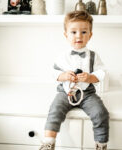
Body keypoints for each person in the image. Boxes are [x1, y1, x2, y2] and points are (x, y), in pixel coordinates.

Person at [39, 10, 109, 150]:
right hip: (66, 92)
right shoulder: (62, 56)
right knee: (55, 110)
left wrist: (90, 77)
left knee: (100, 112)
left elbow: (102, 73)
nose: (79, 36)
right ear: (66, 35)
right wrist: (64, 76)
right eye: (74, 32)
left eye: (84, 32)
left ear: (90, 35)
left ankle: (101, 144)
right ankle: (48, 142)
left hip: (87, 93)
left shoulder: (94, 56)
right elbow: (54, 73)